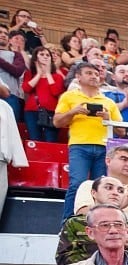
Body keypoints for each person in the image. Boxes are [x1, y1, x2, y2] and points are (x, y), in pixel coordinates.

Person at [53, 61, 122, 220]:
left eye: (96, 74)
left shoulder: (108, 102)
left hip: (104, 148)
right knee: (77, 184)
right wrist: (73, 112)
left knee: (102, 188)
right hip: (79, 146)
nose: (94, 77)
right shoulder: (69, 96)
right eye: (89, 73)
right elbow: (57, 122)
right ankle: (68, 222)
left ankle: (98, 221)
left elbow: (121, 130)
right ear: (78, 77)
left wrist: (109, 119)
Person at [21, 45, 64, 142]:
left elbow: (56, 92)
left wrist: (48, 73)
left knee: (51, 140)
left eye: (47, 55)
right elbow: (26, 89)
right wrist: (39, 74)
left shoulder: (57, 77)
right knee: (35, 139)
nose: (45, 56)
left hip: (51, 112)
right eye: (42, 54)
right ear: (36, 58)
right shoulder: (29, 74)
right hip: (32, 111)